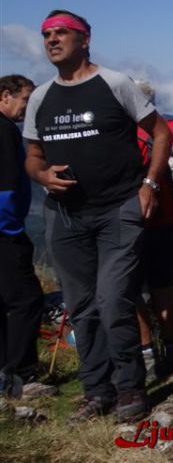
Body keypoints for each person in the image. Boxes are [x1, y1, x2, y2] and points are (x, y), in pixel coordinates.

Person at [23, 10, 172, 422]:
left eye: (62, 33)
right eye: (47, 35)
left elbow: (162, 133)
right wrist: (42, 175)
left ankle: (129, 389)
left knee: (112, 300)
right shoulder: (40, 97)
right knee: (81, 306)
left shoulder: (114, 84)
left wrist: (150, 185)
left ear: (84, 39)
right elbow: (33, 157)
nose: (52, 40)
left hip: (117, 209)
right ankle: (97, 391)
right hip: (65, 217)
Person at [133, 80, 173, 382]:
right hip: (171, 222)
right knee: (165, 287)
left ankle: (147, 356)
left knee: (132, 291)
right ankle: (172, 348)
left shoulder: (125, 135)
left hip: (134, 223)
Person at [0, 75, 57, 400]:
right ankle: (22, 375)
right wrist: (12, 231)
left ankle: (5, 374)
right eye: (25, 100)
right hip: (4, 233)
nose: (27, 108)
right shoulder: (6, 131)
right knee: (26, 300)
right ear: (5, 95)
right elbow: (6, 189)